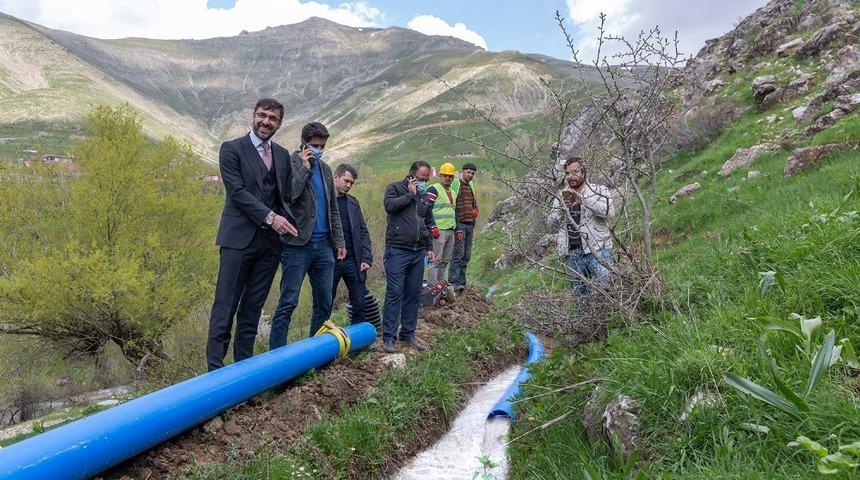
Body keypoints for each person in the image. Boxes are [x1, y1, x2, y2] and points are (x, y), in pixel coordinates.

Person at [206, 98, 298, 371]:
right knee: (225, 306)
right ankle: (214, 372)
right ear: (253, 115)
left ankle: (243, 373)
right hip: (238, 241)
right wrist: (272, 218)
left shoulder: (282, 155)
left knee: (252, 309)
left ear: (280, 124)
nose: (266, 121)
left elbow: (285, 196)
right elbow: (237, 193)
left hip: (270, 245)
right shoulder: (231, 149)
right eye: (262, 115)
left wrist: (290, 226)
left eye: (272, 118)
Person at [270, 122, 345, 348]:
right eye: (314, 145)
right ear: (303, 143)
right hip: (297, 245)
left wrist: (339, 241)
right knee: (288, 301)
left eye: (322, 145)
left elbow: (333, 208)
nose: (319, 149)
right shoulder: (288, 164)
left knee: (324, 301)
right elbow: (289, 196)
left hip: (324, 245)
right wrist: (304, 168)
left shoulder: (326, 170)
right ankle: (278, 356)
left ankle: (316, 349)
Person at [381, 161, 436, 353]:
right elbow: (389, 206)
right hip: (397, 250)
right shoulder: (394, 188)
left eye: (427, 179)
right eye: (422, 179)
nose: (424, 182)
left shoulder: (424, 197)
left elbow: (426, 222)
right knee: (395, 292)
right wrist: (409, 194)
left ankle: (408, 333)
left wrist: (429, 247)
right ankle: (388, 336)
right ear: (411, 175)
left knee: (413, 294)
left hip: (417, 252)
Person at [548, 155, 615, 296]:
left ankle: (609, 318)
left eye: (575, 172)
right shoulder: (560, 196)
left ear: (583, 172)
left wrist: (583, 201)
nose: (571, 176)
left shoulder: (599, 190)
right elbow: (551, 225)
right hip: (572, 255)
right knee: (580, 301)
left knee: (607, 294)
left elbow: (610, 212)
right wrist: (560, 208)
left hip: (598, 250)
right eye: (567, 173)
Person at [331, 163, 373, 325]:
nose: (348, 185)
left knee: (359, 304)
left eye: (351, 183)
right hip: (330, 260)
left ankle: (358, 343)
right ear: (335, 177)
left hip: (353, 261)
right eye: (346, 181)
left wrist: (366, 258)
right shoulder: (324, 202)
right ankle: (321, 344)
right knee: (324, 304)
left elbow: (363, 232)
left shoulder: (353, 203)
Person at [425, 162, 458, 283]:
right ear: (440, 175)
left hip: (450, 230)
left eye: (450, 176)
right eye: (445, 175)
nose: (448, 178)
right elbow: (426, 209)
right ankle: (432, 288)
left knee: (445, 261)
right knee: (435, 261)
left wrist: (457, 228)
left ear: (453, 177)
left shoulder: (453, 193)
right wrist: (432, 226)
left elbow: (453, 212)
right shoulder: (434, 189)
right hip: (438, 231)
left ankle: (440, 287)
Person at [448, 162, 479, 290]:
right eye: (468, 172)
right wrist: (456, 226)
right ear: (463, 171)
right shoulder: (456, 183)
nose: (470, 175)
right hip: (460, 223)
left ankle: (462, 282)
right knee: (458, 254)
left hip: (470, 223)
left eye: (473, 173)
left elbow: (473, 200)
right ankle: (453, 282)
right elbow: (452, 204)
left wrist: (475, 209)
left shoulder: (470, 184)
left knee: (466, 255)